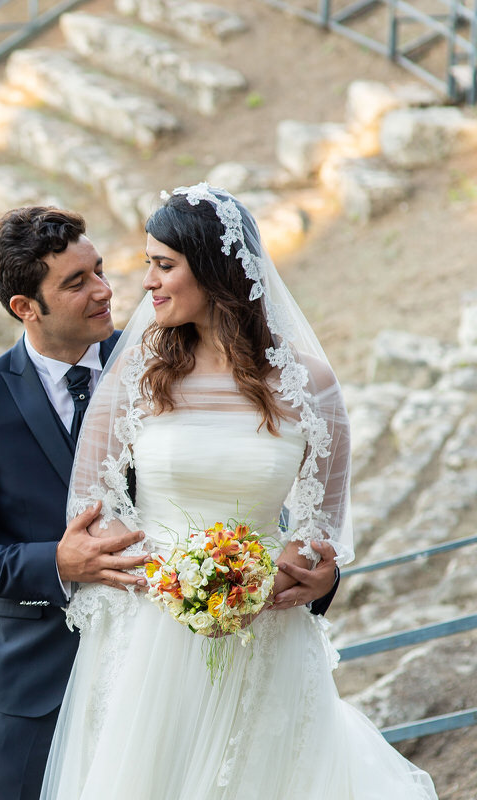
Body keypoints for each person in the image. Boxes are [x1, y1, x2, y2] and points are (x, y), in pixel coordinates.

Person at [0, 206, 340, 800]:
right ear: (25, 307)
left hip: (197, 657)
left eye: (98, 270)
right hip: (40, 682)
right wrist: (58, 563)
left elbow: (242, 486)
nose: (104, 290)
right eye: (76, 283)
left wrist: (302, 577)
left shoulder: (165, 362)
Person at [39, 185, 437, 799]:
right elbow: (91, 510)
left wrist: (284, 575)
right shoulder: (138, 374)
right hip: (151, 640)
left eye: (163, 264)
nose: (146, 281)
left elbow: (319, 531)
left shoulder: (310, 384)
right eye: (148, 263)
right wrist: (177, 583)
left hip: (265, 638)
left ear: (216, 269)